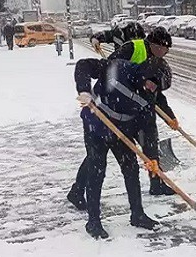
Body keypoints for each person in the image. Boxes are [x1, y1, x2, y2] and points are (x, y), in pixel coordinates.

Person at [67, 27, 176, 211]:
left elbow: (154, 95)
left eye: (166, 50)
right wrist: (87, 91)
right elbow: (109, 68)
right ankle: (77, 191)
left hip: (131, 113)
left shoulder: (156, 67)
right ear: (154, 45)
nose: (164, 53)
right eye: (163, 49)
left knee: (147, 143)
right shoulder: (132, 49)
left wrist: (170, 116)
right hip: (108, 109)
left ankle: (155, 182)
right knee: (96, 159)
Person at [75, 56, 173, 239]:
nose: (153, 89)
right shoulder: (117, 68)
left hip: (121, 131)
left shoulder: (147, 98)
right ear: (146, 74)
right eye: (153, 84)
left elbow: (148, 129)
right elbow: (83, 65)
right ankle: (93, 221)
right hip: (96, 124)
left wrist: (152, 158)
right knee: (97, 169)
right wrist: (84, 90)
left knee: (131, 169)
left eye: (157, 88)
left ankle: (137, 215)